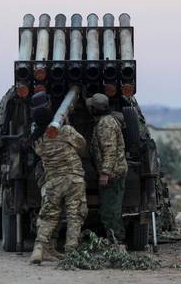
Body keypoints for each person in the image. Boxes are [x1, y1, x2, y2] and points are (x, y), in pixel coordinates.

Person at [30, 102, 88, 265]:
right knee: (74, 215)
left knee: (48, 216)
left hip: (53, 182)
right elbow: (83, 146)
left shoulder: (37, 141)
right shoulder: (66, 131)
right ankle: (71, 252)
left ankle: (39, 249)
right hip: (73, 179)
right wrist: (68, 124)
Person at [86, 93, 128, 243]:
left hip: (113, 174)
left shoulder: (105, 124)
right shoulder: (105, 121)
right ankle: (114, 240)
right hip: (114, 172)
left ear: (95, 109)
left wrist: (105, 173)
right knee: (108, 209)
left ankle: (118, 242)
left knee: (110, 211)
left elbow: (109, 150)